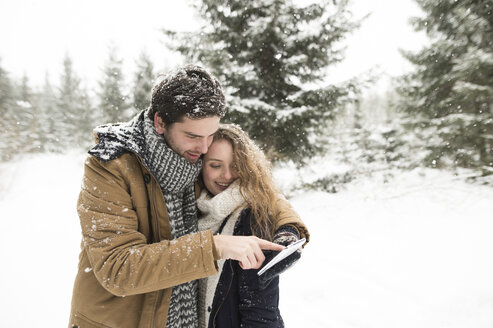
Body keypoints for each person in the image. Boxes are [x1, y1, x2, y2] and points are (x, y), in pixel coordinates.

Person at [68, 65, 305, 328]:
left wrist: (288, 228)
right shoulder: (110, 166)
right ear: (160, 122)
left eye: (210, 135)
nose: (204, 148)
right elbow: (118, 269)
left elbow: (253, 190)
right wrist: (214, 247)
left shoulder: (194, 155)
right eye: (193, 136)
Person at [196, 124, 309, 328]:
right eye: (215, 165)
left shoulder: (253, 217)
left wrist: (289, 230)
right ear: (201, 164)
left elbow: (261, 311)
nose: (227, 175)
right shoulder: (189, 210)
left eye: (236, 166)